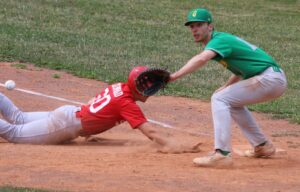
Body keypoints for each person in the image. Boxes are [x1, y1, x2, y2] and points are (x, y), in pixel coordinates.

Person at [169, 8, 287, 167]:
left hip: (269, 78)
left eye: (199, 25)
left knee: (219, 98)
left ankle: (222, 154)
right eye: (191, 26)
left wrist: (174, 76)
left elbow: (202, 58)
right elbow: (239, 72)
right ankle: (262, 146)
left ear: (209, 26)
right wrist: (224, 87)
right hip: (272, 79)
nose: (195, 29)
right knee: (228, 100)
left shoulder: (218, 40)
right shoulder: (221, 41)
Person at [0, 66, 200, 153]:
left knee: (19, 117)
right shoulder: (127, 104)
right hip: (66, 124)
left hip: (69, 113)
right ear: (138, 87)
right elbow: (151, 132)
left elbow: (95, 104)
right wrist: (177, 146)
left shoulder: (119, 86)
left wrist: (92, 126)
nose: (151, 90)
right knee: (14, 133)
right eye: (147, 86)